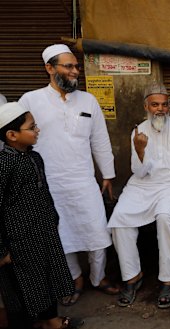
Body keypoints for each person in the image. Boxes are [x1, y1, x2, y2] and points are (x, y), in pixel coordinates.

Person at [18, 44, 118, 306]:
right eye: (68, 66)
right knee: (62, 235)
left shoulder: (88, 100)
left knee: (97, 232)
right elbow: (20, 140)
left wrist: (107, 174)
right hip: (48, 181)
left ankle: (99, 277)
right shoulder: (30, 99)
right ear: (50, 69)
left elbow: (100, 139)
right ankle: (75, 279)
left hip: (83, 180)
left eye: (76, 66)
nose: (75, 71)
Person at [108, 84, 170, 309]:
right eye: (155, 104)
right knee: (119, 219)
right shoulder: (138, 132)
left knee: (166, 218)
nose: (160, 109)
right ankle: (132, 277)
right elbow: (138, 171)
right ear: (146, 106)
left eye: (165, 104)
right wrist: (139, 151)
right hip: (142, 185)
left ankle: (168, 280)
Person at [0, 102, 84, 328]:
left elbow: (43, 190)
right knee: (24, 287)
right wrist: (1, 250)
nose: (37, 130)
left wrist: (53, 218)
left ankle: (52, 321)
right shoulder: (4, 163)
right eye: (32, 127)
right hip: (19, 241)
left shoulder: (34, 157)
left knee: (47, 279)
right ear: (12, 135)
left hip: (42, 232)